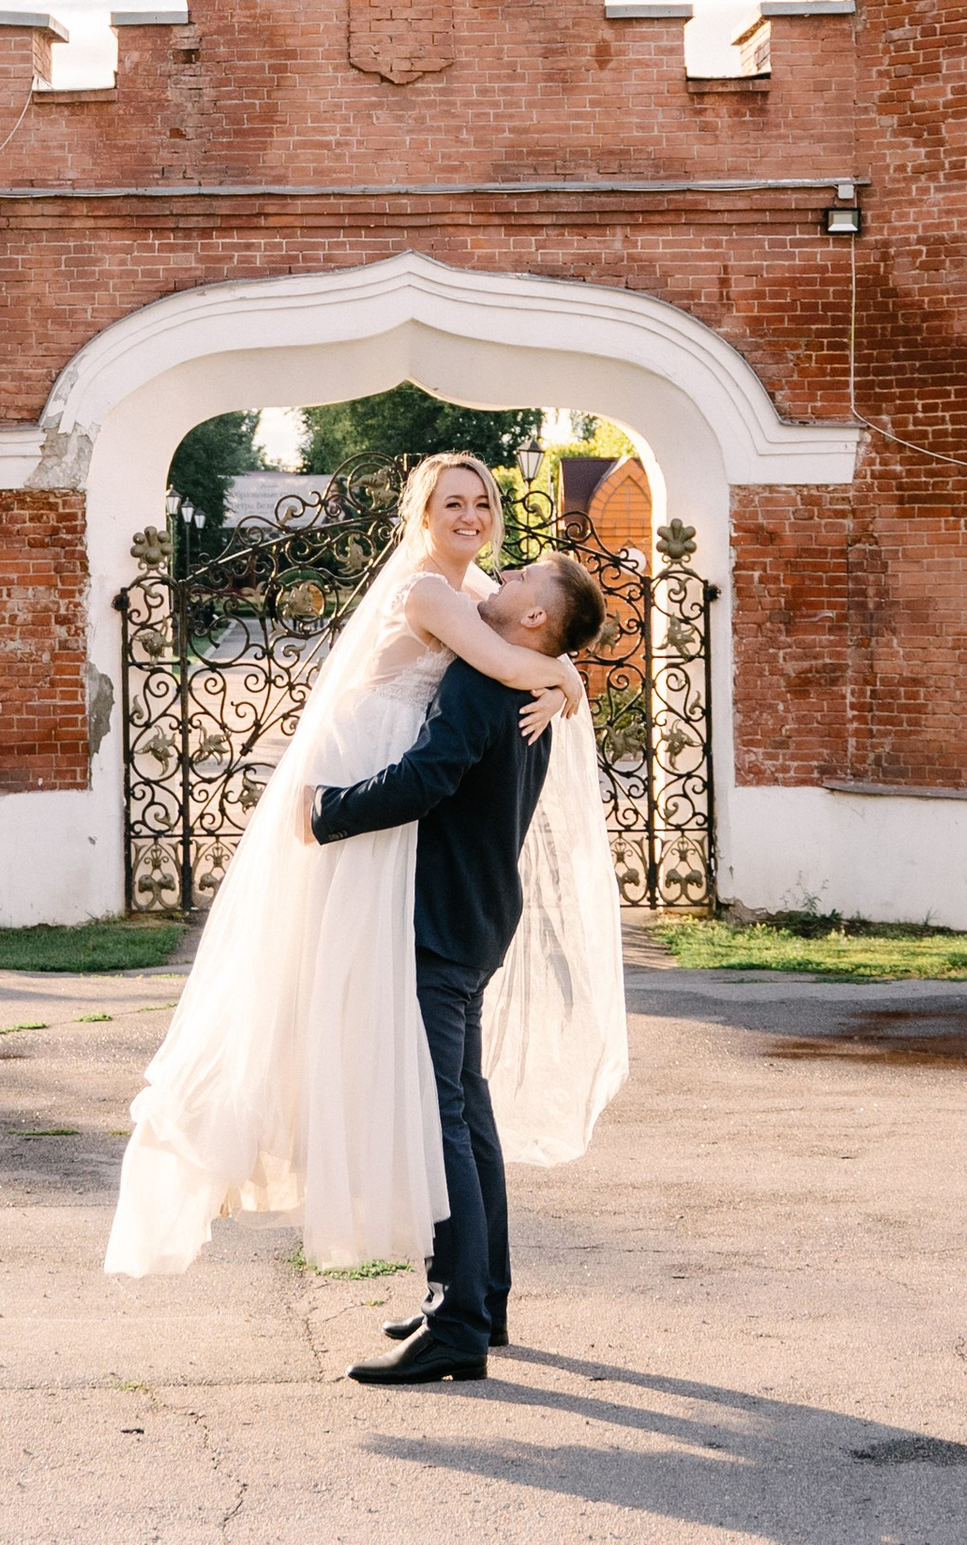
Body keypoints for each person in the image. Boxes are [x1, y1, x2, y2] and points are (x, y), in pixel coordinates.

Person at [104, 452, 628, 1300]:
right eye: (451, 502)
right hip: (364, 798)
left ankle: (460, 1299)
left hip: (398, 819)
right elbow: (510, 663)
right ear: (423, 516)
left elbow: (519, 651)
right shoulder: (432, 593)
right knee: (410, 1066)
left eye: (482, 501)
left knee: (444, 1093)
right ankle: (460, 1297)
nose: (470, 514)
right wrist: (561, 673)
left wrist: (562, 671)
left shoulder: (489, 594)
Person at [311, 539, 608, 1387]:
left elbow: (425, 779)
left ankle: (459, 1327)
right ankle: (482, 1296)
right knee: (469, 1118)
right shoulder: (533, 683)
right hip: (479, 918)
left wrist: (324, 810)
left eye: (518, 579)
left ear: (536, 615)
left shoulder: (492, 681)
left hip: (440, 923)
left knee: (443, 1120)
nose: (499, 577)